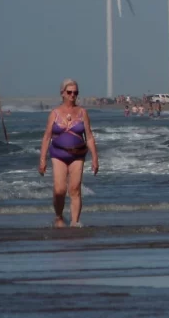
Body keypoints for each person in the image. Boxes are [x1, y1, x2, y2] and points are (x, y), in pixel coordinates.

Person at [38, 79, 99, 228]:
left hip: (78, 154)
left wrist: (95, 158)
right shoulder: (54, 113)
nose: (73, 95)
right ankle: (59, 217)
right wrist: (42, 159)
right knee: (59, 189)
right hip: (58, 154)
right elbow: (47, 137)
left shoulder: (82, 112)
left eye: (76, 92)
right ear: (62, 94)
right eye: (70, 92)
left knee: (75, 188)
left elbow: (89, 137)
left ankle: (74, 222)